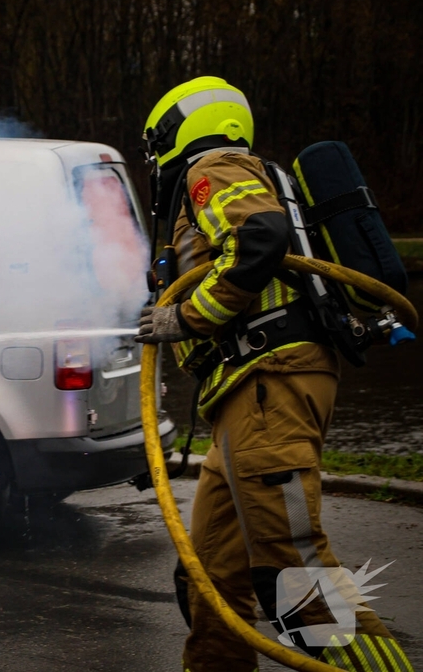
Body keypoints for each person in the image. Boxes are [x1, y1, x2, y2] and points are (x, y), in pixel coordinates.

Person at [135, 76, 414, 672]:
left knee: (293, 568)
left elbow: (259, 239)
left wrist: (185, 316)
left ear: (172, 131)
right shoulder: (236, 170)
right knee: (210, 577)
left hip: (270, 384)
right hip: (250, 394)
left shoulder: (213, 169)